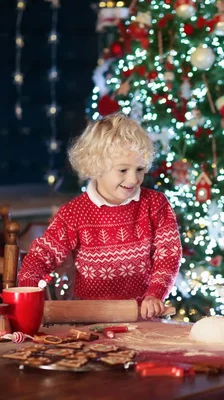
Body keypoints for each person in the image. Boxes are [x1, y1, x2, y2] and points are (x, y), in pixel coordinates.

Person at [18, 114, 182, 319]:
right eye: (123, 170)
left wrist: (155, 294)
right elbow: (42, 256)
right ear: (97, 167)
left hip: (143, 317)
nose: (134, 179)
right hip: (90, 320)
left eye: (139, 169)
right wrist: (27, 290)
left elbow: (168, 255)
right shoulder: (74, 213)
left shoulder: (156, 205)